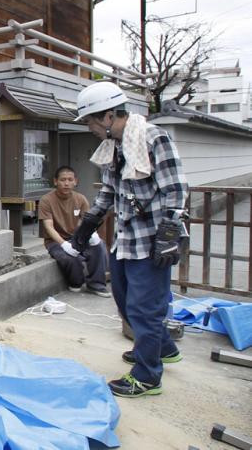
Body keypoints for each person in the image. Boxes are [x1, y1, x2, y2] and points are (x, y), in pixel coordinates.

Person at [71, 81, 188, 398]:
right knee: (123, 298)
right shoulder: (115, 147)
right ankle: (162, 347)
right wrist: (88, 224)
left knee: (144, 309)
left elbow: (175, 189)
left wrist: (168, 234)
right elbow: (108, 192)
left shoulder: (152, 138)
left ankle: (147, 376)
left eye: (91, 122)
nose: (90, 128)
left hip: (152, 242)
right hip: (126, 239)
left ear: (108, 116)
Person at [38, 166, 111, 297]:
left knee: (99, 246)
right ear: (55, 181)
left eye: (70, 179)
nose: (66, 183)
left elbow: (84, 223)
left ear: (75, 181)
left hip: (77, 238)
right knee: (71, 258)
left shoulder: (81, 199)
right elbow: (48, 227)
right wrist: (64, 244)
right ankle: (76, 282)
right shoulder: (46, 200)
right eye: (63, 180)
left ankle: (96, 284)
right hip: (55, 241)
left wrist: (90, 235)